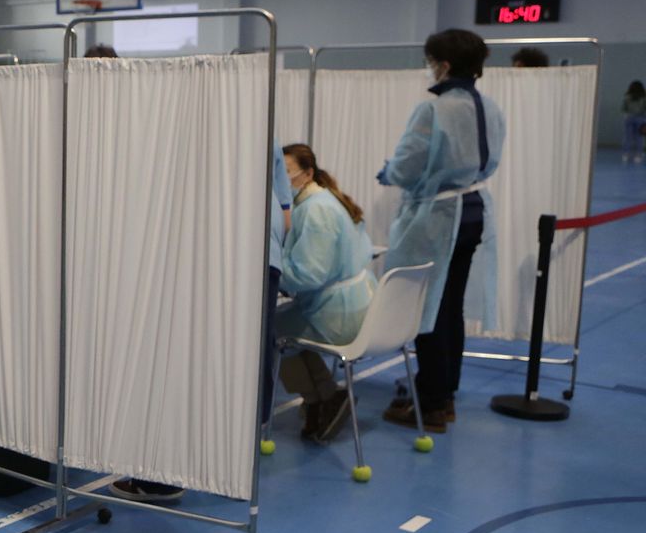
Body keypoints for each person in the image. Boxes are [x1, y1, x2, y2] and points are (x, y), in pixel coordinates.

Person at [110, 136, 291, 504]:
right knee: (248, 353)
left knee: (177, 353)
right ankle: (237, 469)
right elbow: (285, 210)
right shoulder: (260, 107)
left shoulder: (188, 112)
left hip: (213, 247)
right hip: (261, 249)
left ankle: (161, 477)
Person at [379, 29, 505, 434]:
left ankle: (430, 403)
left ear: (444, 65)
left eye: (431, 60)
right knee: (451, 306)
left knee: (427, 307)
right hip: (474, 211)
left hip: (439, 216)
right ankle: (445, 393)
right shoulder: (489, 107)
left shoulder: (433, 110)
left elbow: (409, 163)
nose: (429, 68)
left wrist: (391, 173)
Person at [276, 143, 376, 443]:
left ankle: (320, 397)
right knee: (287, 322)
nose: (282, 182)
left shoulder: (315, 210)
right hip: (358, 304)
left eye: (287, 174)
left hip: (340, 314)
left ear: (307, 174)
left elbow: (309, 274)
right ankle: (326, 397)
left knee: (271, 330)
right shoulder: (325, 199)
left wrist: (274, 274)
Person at [621, 81, 646, 164]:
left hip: (629, 118)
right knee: (639, 138)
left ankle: (625, 155)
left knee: (628, 137)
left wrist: (626, 114)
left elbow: (623, 108)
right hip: (641, 118)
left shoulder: (627, 97)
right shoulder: (644, 97)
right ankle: (638, 156)